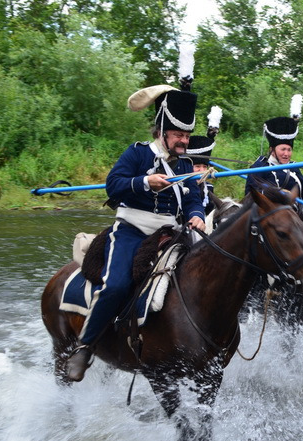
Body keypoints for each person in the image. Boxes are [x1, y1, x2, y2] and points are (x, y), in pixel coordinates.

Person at [65, 69, 207, 382]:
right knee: (115, 286)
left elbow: (194, 199)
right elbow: (113, 185)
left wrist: (197, 214)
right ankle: (85, 347)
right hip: (131, 230)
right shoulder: (138, 153)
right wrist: (145, 181)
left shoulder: (185, 164)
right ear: (162, 131)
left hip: (170, 233)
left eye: (186, 136)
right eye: (178, 135)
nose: (184, 141)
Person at [244, 95, 303, 196]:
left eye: (289, 150)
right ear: (271, 150)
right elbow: (252, 195)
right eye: (283, 149)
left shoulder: (293, 167)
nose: (286, 154)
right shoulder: (259, 167)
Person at [186, 105, 222, 215]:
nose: (202, 171)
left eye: (204, 167)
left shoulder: (209, 188)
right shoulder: (181, 187)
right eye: (197, 166)